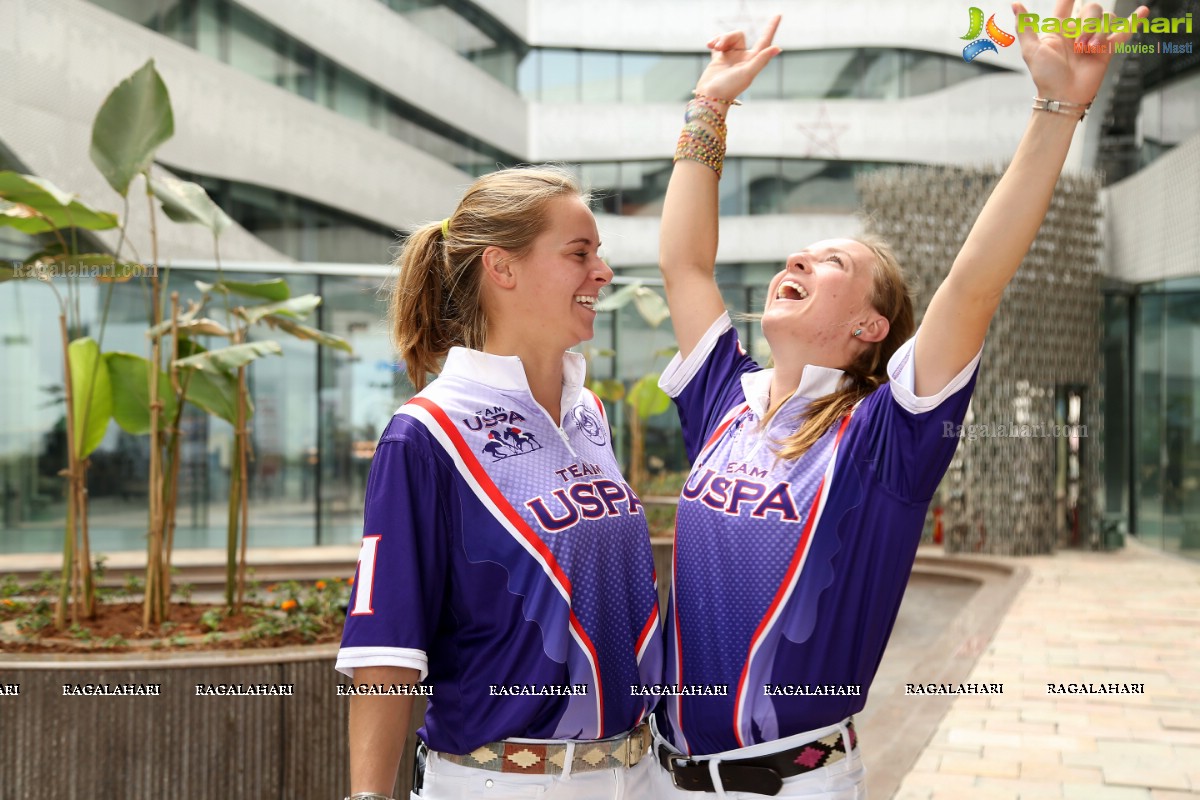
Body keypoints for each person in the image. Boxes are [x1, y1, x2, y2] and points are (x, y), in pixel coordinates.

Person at [651, 4, 1144, 797]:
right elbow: (684, 263)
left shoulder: (886, 435)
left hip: (789, 782)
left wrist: (1058, 109)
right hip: (656, 772)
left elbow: (973, 284)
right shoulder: (721, 398)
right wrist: (710, 106)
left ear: (869, 324)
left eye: (833, 260)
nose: (800, 255)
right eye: (804, 251)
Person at [336, 166, 663, 800]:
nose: (603, 272)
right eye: (580, 253)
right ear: (502, 268)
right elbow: (387, 646)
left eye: (599, 253)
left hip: (640, 776)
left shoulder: (589, 415)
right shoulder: (425, 433)